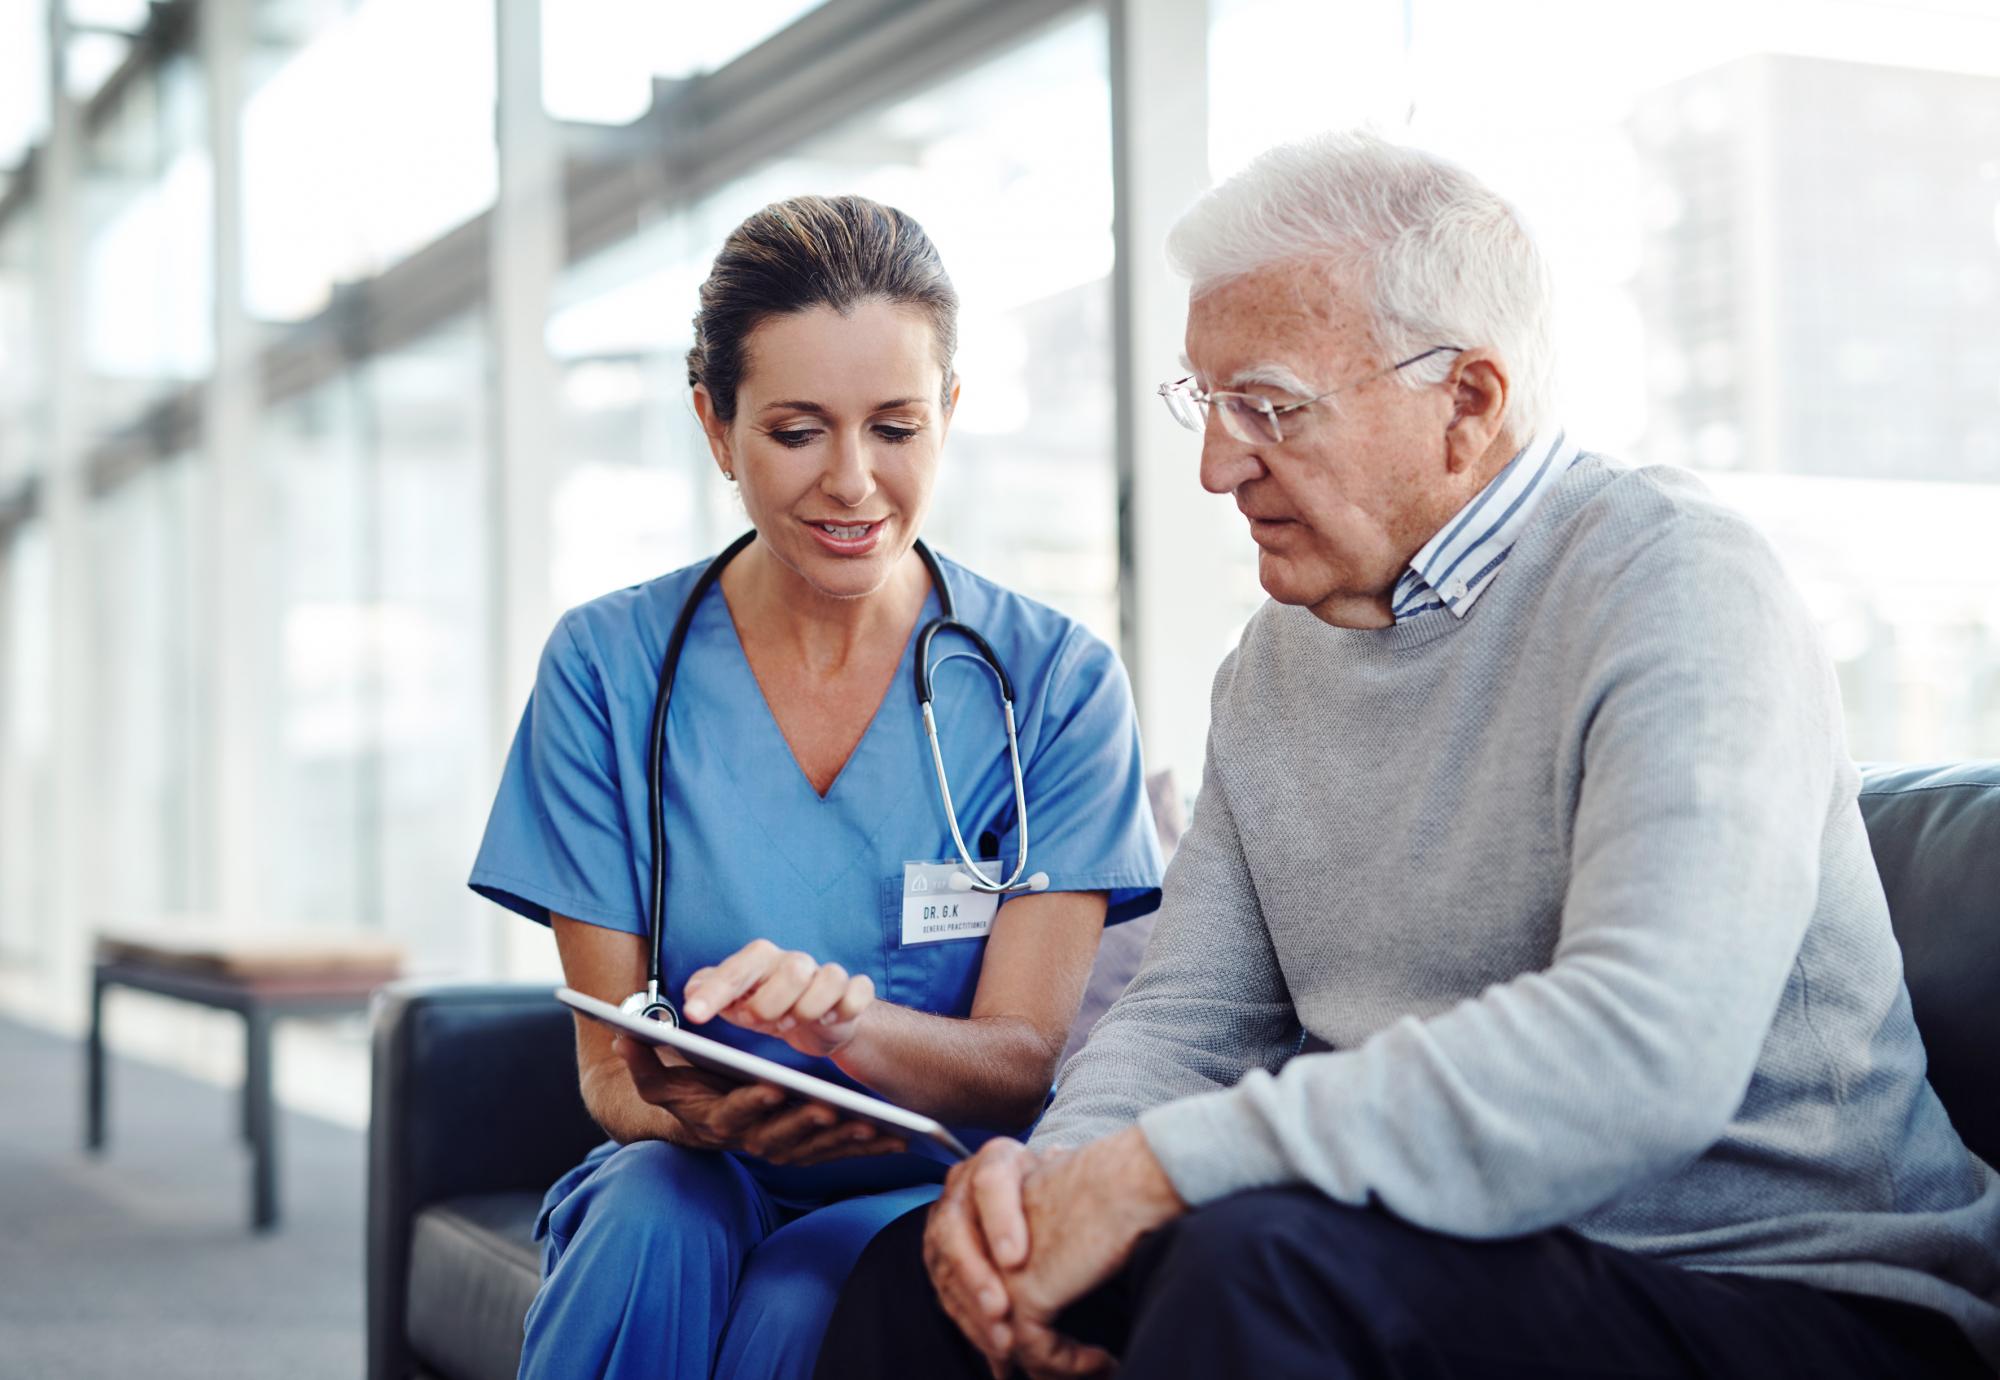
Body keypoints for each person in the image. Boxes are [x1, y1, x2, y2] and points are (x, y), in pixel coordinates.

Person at [816, 133, 2000, 1379]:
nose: (1217, 464)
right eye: (1203, 404)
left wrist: (1158, 1173)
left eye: (1266, 406)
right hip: (1446, 1258)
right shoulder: (1271, 667)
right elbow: (1189, 1018)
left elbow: (1644, 1050)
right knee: (924, 1280)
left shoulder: (1675, 581)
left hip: (1789, 1286)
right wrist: (1047, 1196)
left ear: (1466, 403)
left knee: (1258, 1265)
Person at [469, 193, 1164, 1380]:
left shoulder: (1052, 684)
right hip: (688, 1163)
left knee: (805, 1295)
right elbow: (607, 1068)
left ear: (948, 413)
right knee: (649, 1214)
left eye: (895, 426)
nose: (853, 482)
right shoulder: (605, 670)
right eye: (796, 432)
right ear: (714, 424)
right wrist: (685, 1108)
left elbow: (1021, 1061)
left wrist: (849, 1029)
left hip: (924, 1183)